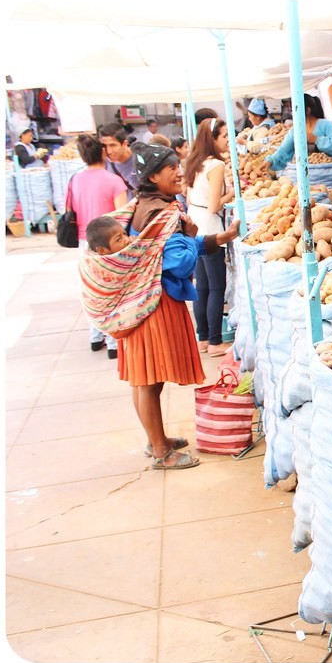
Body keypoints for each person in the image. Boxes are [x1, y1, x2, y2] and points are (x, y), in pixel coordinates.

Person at [78, 142, 241, 470]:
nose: (179, 172)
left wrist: (219, 238)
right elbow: (178, 264)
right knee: (150, 383)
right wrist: (191, 235)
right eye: (172, 169)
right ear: (153, 176)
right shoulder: (162, 212)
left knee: (143, 381)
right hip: (153, 305)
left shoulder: (144, 204)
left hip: (139, 304)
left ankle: (158, 442)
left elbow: (158, 252)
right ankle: (161, 451)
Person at [69, 133, 129, 358]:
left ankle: (95, 337)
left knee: (92, 290)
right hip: (110, 243)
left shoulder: (76, 179)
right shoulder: (113, 181)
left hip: (85, 241)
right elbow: (121, 218)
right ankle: (113, 342)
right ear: (102, 152)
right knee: (113, 291)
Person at [184, 117, 236, 356]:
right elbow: (215, 205)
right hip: (211, 229)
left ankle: (203, 338)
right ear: (212, 139)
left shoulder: (195, 162)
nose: (228, 140)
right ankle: (215, 342)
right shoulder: (215, 165)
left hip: (194, 226)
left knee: (202, 286)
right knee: (216, 287)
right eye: (224, 136)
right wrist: (232, 193)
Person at [265, 93, 332, 171]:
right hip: (302, 173)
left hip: (327, 173)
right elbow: (283, 151)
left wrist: (317, 139)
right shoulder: (295, 131)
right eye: (292, 111)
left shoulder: (326, 125)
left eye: (295, 110)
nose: (293, 114)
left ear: (307, 110)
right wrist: (270, 161)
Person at [98, 123, 138, 200]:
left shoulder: (140, 161)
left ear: (124, 144)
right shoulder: (104, 163)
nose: (109, 151)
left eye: (113, 145)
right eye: (104, 146)